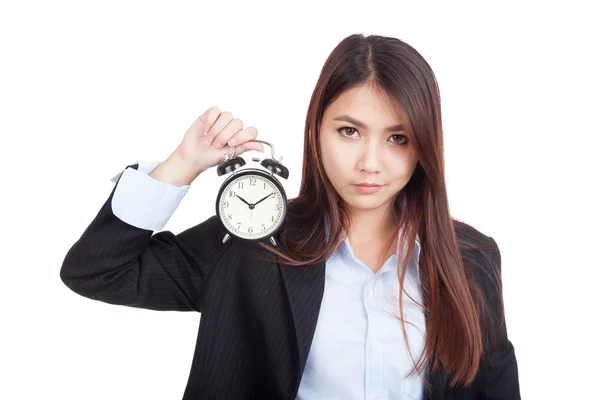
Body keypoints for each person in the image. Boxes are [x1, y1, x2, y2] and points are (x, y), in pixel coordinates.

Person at [60, 33, 520, 399]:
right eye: (349, 131)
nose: (370, 163)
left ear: (425, 144)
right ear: (316, 128)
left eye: (397, 138)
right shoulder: (255, 239)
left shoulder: (472, 259)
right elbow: (98, 270)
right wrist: (183, 163)